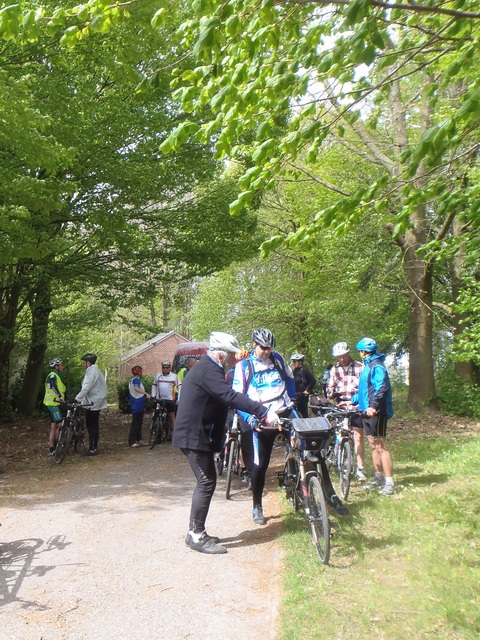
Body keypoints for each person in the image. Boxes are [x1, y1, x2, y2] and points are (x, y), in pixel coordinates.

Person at [173, 331, 279, 555]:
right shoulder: (208, 370)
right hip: (193, 436)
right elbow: (230, 396)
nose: (235, 359)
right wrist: (263, 411)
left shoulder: (210, 368)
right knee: (206, 481)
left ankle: (195, 531)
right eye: (232, 355)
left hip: (197, 434)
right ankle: (196, 535)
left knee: (207, 480)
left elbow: (224, 401)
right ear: (221, 355)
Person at [233, 328, 348, 525]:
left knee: (313, 447)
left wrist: (292, 400)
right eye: (263, 348)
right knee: (259, 466)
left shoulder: (277, 359)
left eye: (269, 347)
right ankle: (257, 504)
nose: (267, 351)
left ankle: (329, 494)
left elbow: (288, 379)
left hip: (285, 410)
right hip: (260, 417)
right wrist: (251, 420)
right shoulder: (243, 366)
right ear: (254, 345)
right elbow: (237, 399)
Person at [350, 338, 395, 495]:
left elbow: (381, 387)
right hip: (367, 411)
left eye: (359, 351)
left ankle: (389, 482)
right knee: (372, 444)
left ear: (363, 352)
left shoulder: (377, 366)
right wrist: (352, 401)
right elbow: (365, 390)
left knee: (380, 445)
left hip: (377, 411)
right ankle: (378, 478)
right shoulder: (368, 366)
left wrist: (373, 406)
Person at [327, 342, 366, 481]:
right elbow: (329, 388)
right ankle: (341, 461)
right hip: (341, 406)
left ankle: (361, 468)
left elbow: (365, 387)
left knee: (358, 436)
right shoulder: (334, 369)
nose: (342, 359)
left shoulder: (360, 367)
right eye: (339, 357)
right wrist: (332, 393)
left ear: (348, 353)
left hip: (356, 406)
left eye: (344, 356)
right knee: (340, 433)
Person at [75, 353, 108, 457]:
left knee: (92, 425)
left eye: (83, 362)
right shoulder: (96, 371)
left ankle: (92, 448)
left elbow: (86, 387)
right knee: (93, 425)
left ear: (88, 363)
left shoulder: (91, 372)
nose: (83, 364)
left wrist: (77, 399)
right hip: (94, 401)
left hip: (92, 402)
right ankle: (93, 447)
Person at [44, 358, 66, 455]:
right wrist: (60, 396)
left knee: (54, 427)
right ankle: (57, 449)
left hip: (51, 404)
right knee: (60, 426)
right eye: (61, 365)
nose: (62, 367)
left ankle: (52, 448)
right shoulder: (53, 375)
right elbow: (53, 385)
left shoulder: (55, 375)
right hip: (53, 405)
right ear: (56, 366)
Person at [151, 360, 180, 433]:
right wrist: (153, 396)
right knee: (156, 414)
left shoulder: (174, 376)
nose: (165, 369)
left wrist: (179, 399)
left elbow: (180, 387)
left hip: (170, 399)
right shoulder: (158, 375)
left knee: (172, 417)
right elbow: (154, 385)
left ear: (170, 368)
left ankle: (175, 435)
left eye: (167, 367)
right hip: (159, 399)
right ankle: (156, 434)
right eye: (163, 367)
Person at [128, 365, 150, 447]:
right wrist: (145, 393)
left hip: (139, 404)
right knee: (136, 423)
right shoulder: (136, 380)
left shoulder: (133, 379)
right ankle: (132, 441)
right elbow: (136, 388)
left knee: (139, 423)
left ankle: (139, 439)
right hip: (137, 405)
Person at [290, 353, 317, 418]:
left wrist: (307, 390)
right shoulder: (294, 371)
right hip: (296, 396)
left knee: (303, 413)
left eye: (295, 361)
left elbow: (313, 381)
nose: (293, 363)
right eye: (293, 361)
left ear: (300, 362)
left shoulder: (304, 370)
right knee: (296, 413)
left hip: (303, 396)